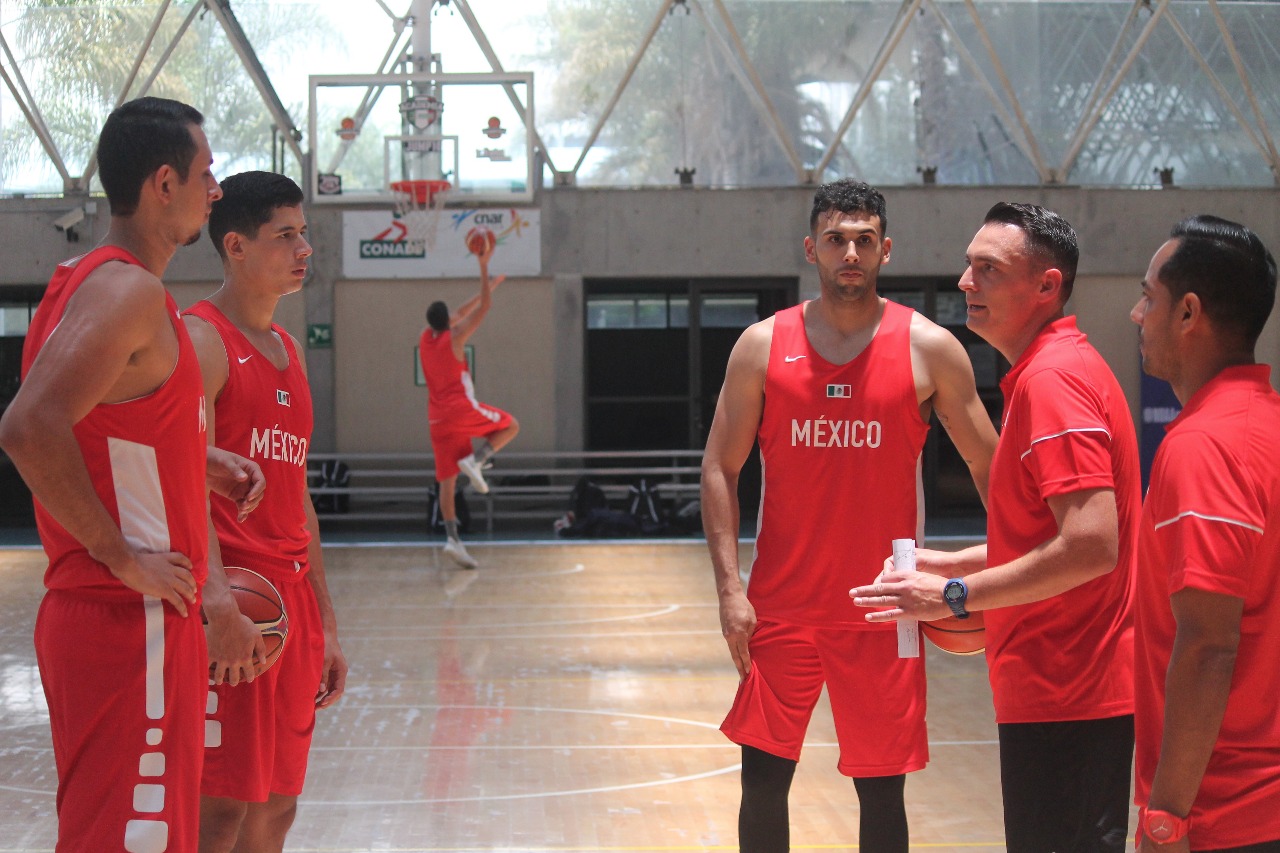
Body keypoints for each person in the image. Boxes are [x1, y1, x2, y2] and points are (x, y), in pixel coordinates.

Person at [0, 96, 265, 853]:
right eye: (207, 173)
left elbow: (95, 424)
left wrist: (197, 461)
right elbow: (27, 428)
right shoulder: (130, 292)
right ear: (163, 183)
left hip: (133, 621)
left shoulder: (85, 279)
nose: (216, 189)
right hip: (128, 618)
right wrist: (119, 554)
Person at [701, 178, 998, 853]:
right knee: (764, 781)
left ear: (886, 249)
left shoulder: (929, 349)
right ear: (813, 249)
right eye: (836, 239)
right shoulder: (760, 346)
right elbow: (719, 467)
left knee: (883, 791)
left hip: (885, 606)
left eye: (864, 239)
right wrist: (729, 589)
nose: (851, 252)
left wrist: (1014, 571)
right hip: (780, 606)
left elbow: (991, 467)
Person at [852, 202, 1141, 852]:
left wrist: (953, 596)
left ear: (1047, 286)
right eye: (968, 264)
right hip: (1057, 691)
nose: (965, 281)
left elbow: (1092, 544)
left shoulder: (1055, 381)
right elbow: (1045, 538)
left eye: (987, 267)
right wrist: (951, 564)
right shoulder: (1044, 374)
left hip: (1072, 689)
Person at [182, 171, 349, 852]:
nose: (304, 247)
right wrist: (217, 604)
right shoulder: (202, 341)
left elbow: (296, 495)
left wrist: (327, 622)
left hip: (293, 608)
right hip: (236, 604)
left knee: (278, 808)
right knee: (217, 812)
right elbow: (177, 479)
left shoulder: (287, 352)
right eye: (285, 234)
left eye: (303, 232)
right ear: (237, 246)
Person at [1129, 216, 1280, 853]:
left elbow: (1208, 646)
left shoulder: (1205, 447)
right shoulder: (1264, 426)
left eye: (1148, 296)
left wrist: (1166, 818)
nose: (1137, 315)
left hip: (1226, 815)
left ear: (1188, 312)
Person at [418, 245, 520, 569]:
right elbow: (482, 309)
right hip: (460, 409)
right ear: (448, 321)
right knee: (510, 425)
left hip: (437, 419)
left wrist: (485, 289)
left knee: (447, 481)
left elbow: (460, 312)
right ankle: (478, 461)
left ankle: (453, 540)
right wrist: (484, 268)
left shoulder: (426, 337)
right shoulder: (457, 338)